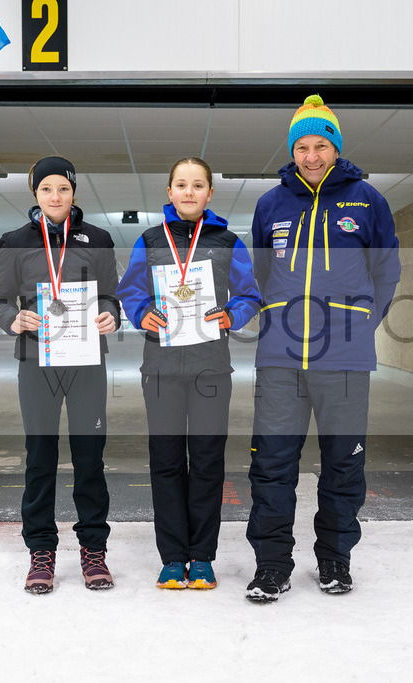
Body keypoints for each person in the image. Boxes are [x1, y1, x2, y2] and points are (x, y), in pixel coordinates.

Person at [244, 95, 401, 603]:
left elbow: (387, 270)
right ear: (292, 151)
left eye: (320, 145)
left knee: (343, 463)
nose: (311, 156)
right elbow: (262, 273)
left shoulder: (367, 200)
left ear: (336, 148)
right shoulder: (271, 204)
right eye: (302, 147)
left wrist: (364, 324)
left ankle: (335, 559)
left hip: (345, 359)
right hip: (280, 358)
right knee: (272, 465)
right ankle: (272, 565)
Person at [117, 157, 260, 590]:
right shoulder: (149, 239)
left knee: (207, 463)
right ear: (169, 192)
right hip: (161, 368)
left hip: (210, 368)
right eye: (181, 184)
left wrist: (232, 315)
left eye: (198, 185)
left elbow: (249, 294)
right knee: (165, 463)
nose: (189, 192)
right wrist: (141, 313)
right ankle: (172, 557)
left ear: (210, 193)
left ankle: (201, 557)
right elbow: (130, 290)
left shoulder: (228, 241)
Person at [0, 156, 121, 594]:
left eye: (63, 188)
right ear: (35, 194)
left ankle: (93, 549)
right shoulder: (15, 241)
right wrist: (13, 319)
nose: (55, 196)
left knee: (90, 459)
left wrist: (110, 314)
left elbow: (111, 295)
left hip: (86, 361)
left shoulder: (98, 239)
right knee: (40, 458)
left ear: (73, 191)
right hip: (36, 361)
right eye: (46, 188)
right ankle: (41, 551)